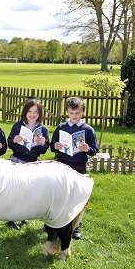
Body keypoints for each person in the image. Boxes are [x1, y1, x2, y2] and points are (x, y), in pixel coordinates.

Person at [50, 96, 98, 240]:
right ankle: (57, 223)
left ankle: (76, 226)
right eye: (71, 113)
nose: (74, 116)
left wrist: (87, 148)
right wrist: (56, 146)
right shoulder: (61, 127)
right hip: (62, 164)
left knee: (77, 196)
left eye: (77, 113)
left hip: (79, 166)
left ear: (82, 112)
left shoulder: (88, 130)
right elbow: (52, 145)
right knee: (61, 195)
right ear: (67, 112)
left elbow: (94, 150)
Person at [6, 98, 50, 229]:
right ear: (25, 112)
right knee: (15, 190)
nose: (32, 114)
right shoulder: (18, 126)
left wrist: (43, 144)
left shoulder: (43, 129)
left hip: (32, 162)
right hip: (17, 160)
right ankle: (11, 218)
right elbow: (10, 144)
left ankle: (23, 215)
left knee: (28, 191)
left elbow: (43, 149)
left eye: (35, 112)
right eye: (29, 111)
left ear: (40, 114)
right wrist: (14, 140)